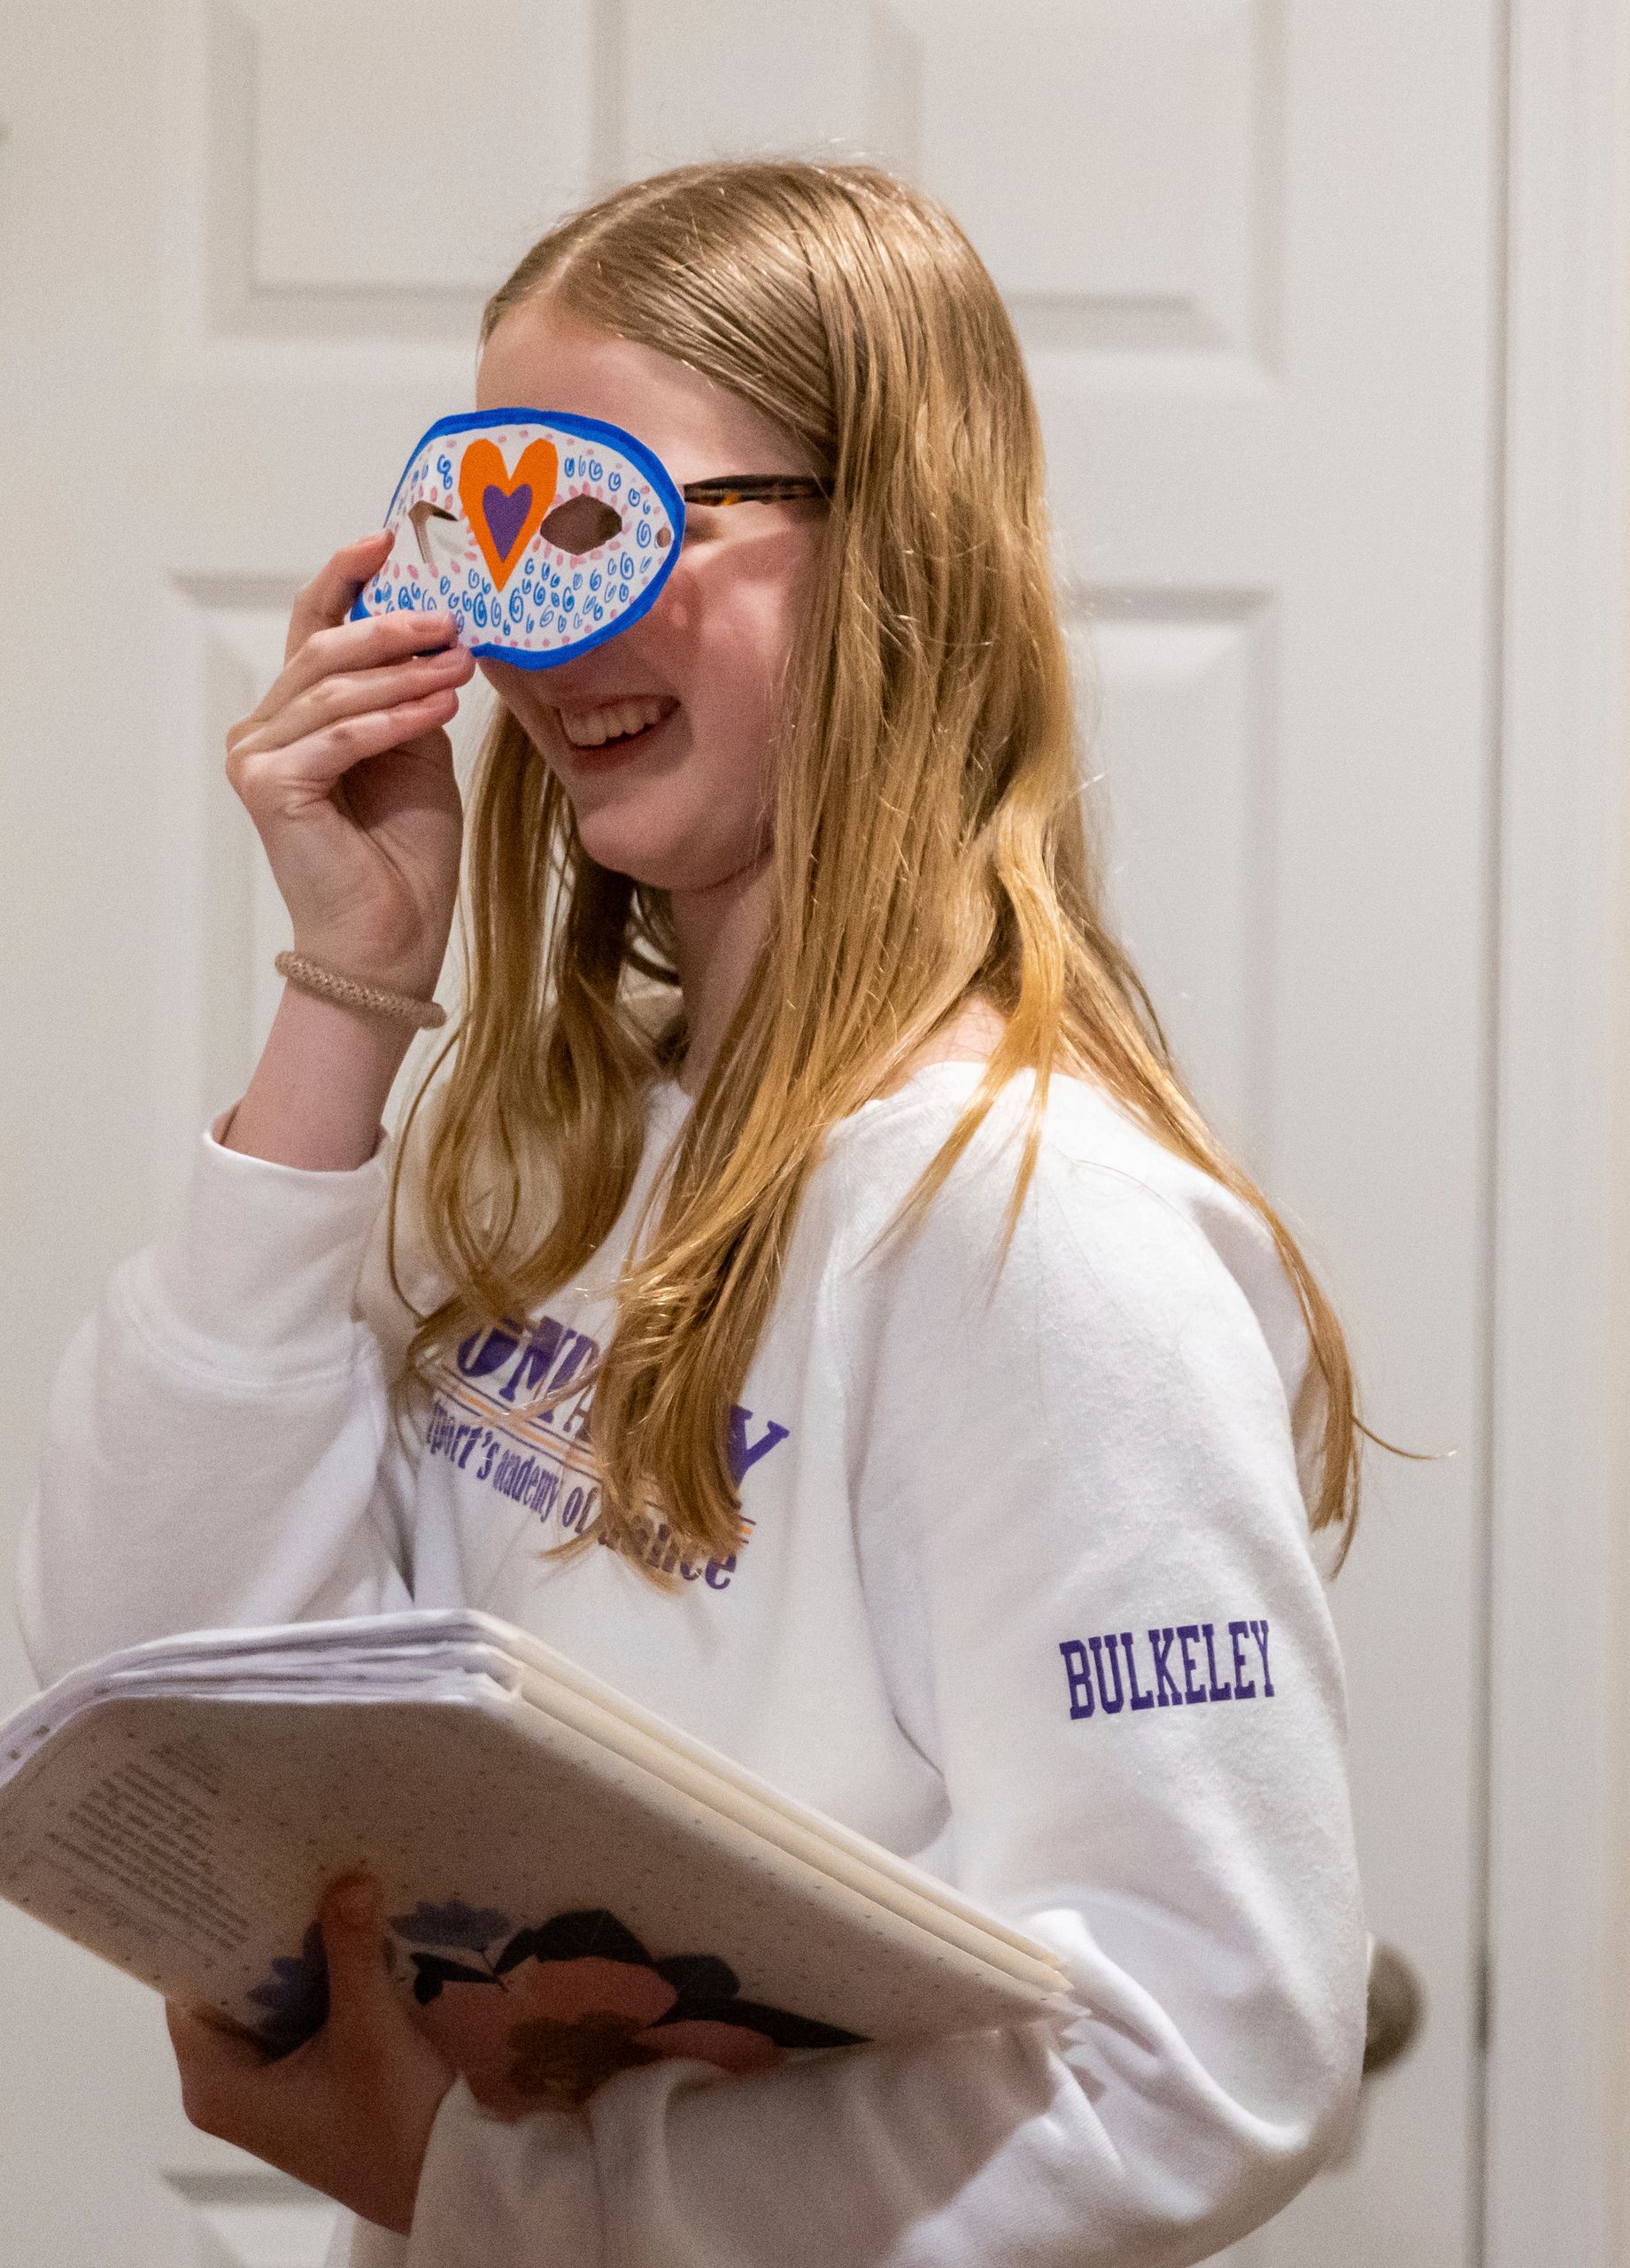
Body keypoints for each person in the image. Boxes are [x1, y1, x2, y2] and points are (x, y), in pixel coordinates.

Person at [15, 160, 1367, 2264]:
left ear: (891, 550)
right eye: (500, 533)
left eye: (628, 520)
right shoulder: (569, 1158)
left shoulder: (1028, 1228)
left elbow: (1206, 2052)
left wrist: (485, 2192)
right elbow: (149, 1699)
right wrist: (353, 990)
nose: (555, 627)